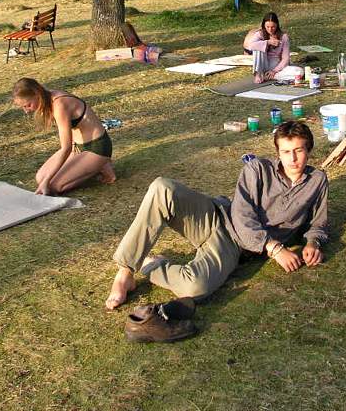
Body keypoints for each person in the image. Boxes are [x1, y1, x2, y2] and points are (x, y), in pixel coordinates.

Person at [105, 120, 328, 310]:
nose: (293, 159)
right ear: (278, 152)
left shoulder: (317, 180)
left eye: (299, 150)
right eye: (286, 152)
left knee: (194, 288)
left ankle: (151, 265)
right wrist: (275, 248)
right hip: (218, 216)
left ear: (308, 150)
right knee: (162, 188)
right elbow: (242, 215)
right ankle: (125, 273)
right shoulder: (257, 169)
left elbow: (319, 221)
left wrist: (313, 243)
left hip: (233, 244)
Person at [12, 77, 116, 195]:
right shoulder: (48, 96)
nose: (26, 111)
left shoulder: (60, 105)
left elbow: (66, 148)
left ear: (37, 94)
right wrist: (44, 180)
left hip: (96, 148)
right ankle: (97, 166)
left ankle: (101, 163)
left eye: (28, 105)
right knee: (40, 177)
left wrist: (46, 181)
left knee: (54, 186)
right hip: (78, 148)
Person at [243, 12, 290, 83]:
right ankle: (258, 74)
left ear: (277, 25)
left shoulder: (283, 37)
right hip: (262, 64)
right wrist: (267, 42)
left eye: (273, 27)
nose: (270, 29)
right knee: (257, 47)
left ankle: (270, 76)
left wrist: (274, 70)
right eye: (267, 27)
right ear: (264, 25)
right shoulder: (260, 34)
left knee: (299, 72)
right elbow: (250, 46)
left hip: (276, 65)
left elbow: (286, 58)